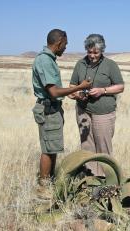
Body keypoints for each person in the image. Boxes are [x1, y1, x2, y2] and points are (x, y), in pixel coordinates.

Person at [32, 29, 91, 193]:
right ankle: (44, 187)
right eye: (65, 44)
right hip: (48, 110)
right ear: (59, 43)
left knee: (53, 148)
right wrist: (80, 87)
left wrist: (70, 93)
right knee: (48, 150)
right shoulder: (45, 61)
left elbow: (55, 91)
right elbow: (53, 92)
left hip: (52, 108)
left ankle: (48, 182)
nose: (66, 48)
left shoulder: (49, 59)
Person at [69, 33, 124, 176]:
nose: (92, 55)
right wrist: (78, 93)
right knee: (87, 146)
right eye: (89, 52)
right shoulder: (80, 64)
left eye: (96, 52)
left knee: (103, 147)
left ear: (102, 51)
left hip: (103, 113)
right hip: (83, 110)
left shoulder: (110, 65)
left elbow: (120, 87)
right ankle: (91, 178)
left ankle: (107, 179)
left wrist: (102, 90)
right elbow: (72, 85)